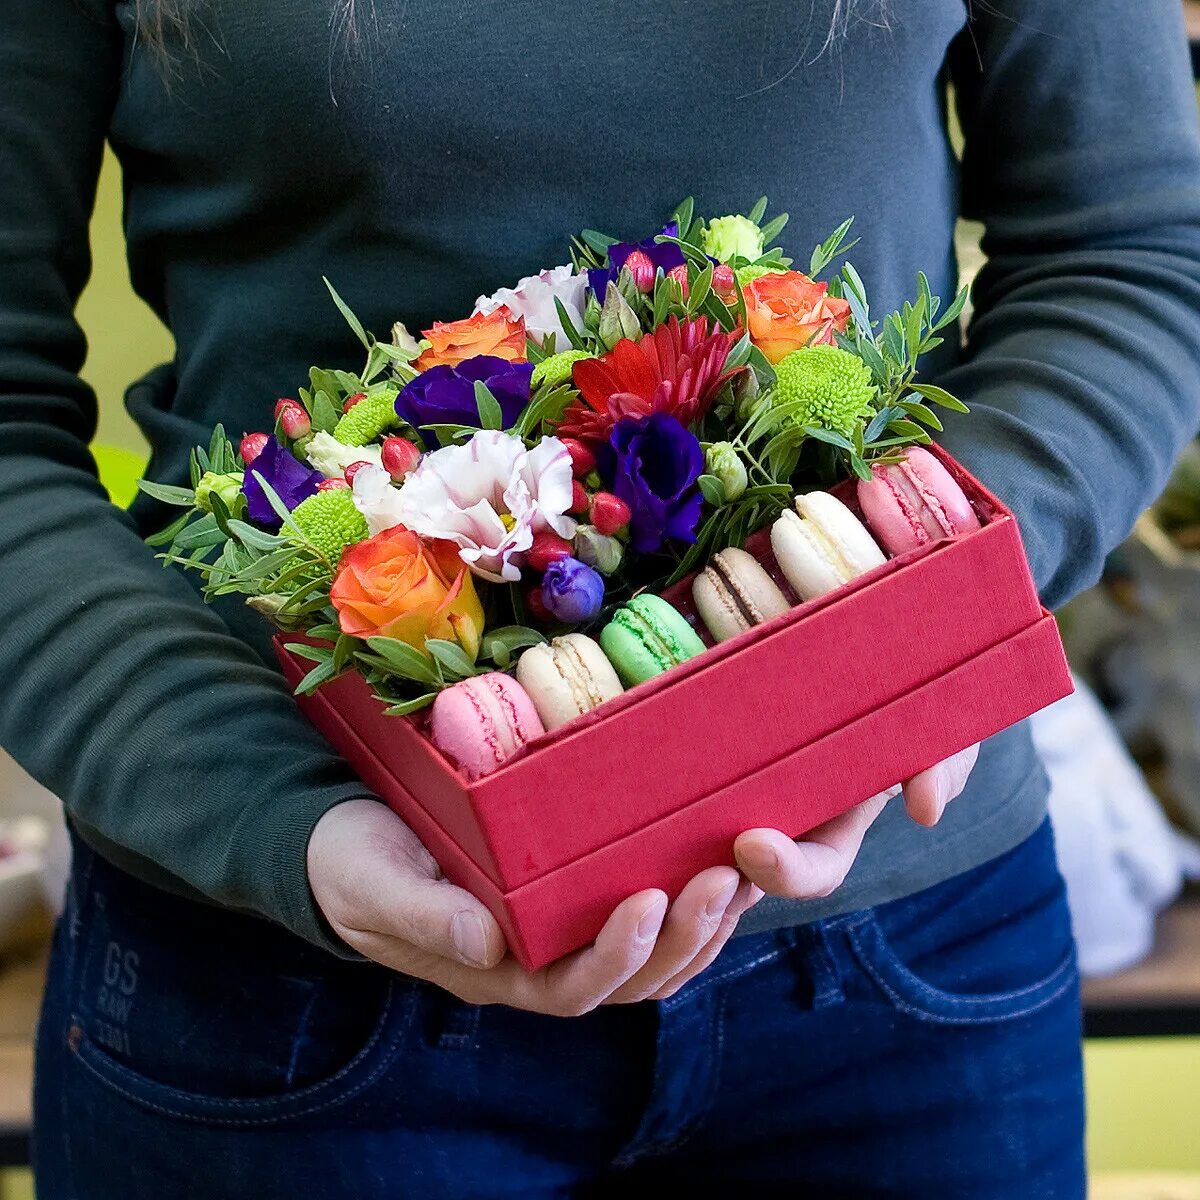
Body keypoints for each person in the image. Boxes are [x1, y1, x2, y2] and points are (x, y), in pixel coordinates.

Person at [3, 0, 1199, 1195]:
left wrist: (929, 624)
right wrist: (268, 813)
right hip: (287, 1008)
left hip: (907, 976)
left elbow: (1130, 251)